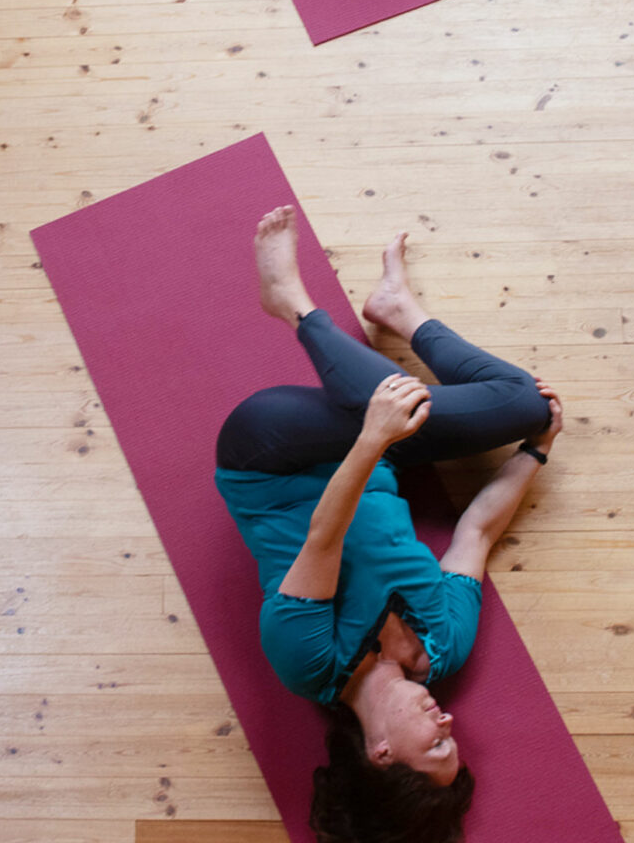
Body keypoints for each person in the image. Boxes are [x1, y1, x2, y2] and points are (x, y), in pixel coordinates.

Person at [218, 206, 560, 842]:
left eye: (434, 747)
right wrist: (536, 450)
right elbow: (475, 535)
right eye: (450, 741)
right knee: (524, 404)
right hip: (377, 450)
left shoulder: (307, 663)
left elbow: (325, 533)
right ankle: (398, 309)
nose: (448, 726)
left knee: (440, 406)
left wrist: (376, 436)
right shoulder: (443, 649)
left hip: (271, 454)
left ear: (381, 754)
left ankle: (291, 302)